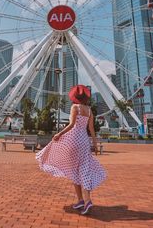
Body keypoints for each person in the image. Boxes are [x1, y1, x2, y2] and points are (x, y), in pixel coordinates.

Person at [36, 84, 107, 215]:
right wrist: (95, 143)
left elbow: (72, 125)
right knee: (84, 169)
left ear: (75, 97)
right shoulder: (89, 110)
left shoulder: (75, 107)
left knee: (74, 169)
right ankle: (82, 200)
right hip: (84, 141)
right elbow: (91, 129)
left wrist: (59, 134)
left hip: (73, 139)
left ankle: (86, 201)